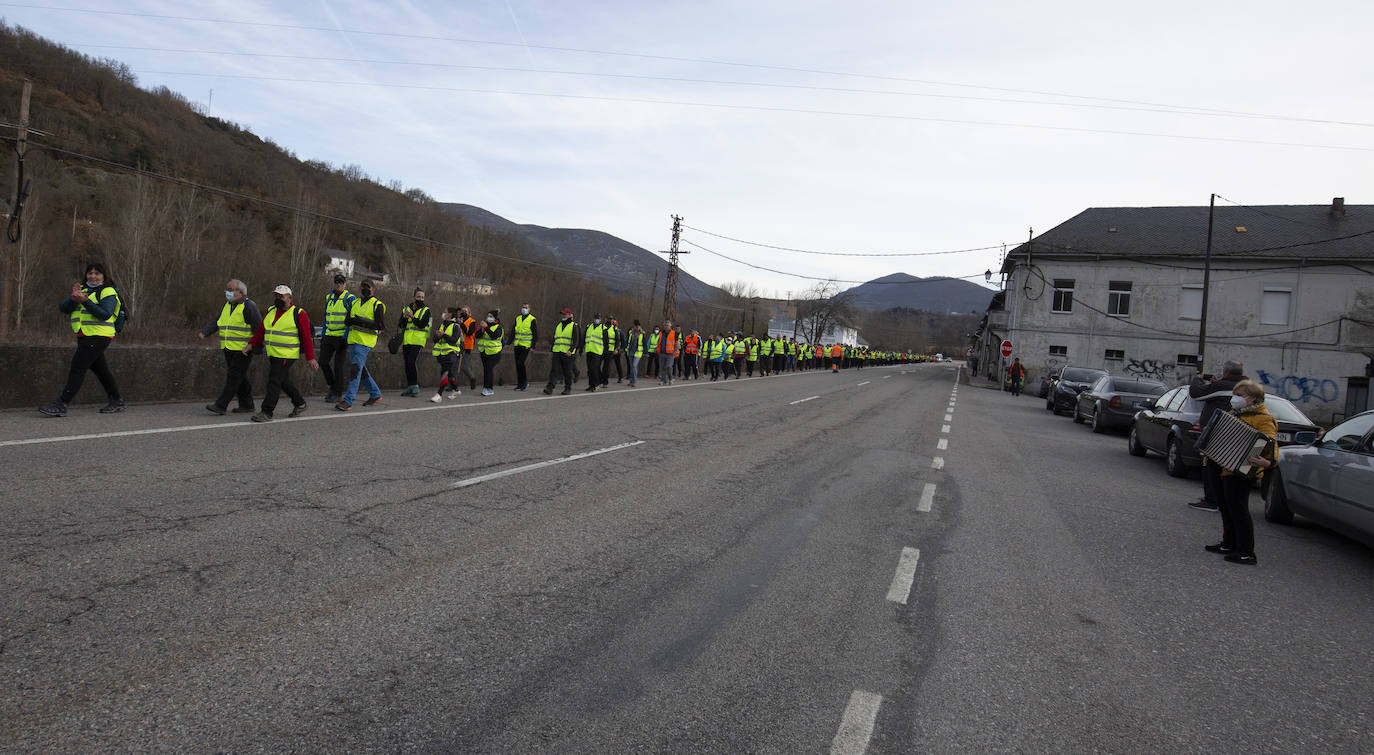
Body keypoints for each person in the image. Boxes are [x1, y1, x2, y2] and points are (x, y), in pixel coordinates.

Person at [1205, 380, 1277, 566]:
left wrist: (1268, 461)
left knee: (1239, 510)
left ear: (1253, 398)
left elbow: (1270, 444)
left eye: (1240, 395)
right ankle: (1229, 543)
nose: (1234, 398)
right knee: (1225, 506)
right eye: (1235, 394)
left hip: (1241, 470)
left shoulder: (1264, 418)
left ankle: (1246, 552)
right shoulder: (1234, 413)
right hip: (1221, 465)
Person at [40, 263, 126, 416]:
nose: (93, 276)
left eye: (97, 273)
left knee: (77, 368)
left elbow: (105, 314)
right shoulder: (82, 290)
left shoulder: (108, 291)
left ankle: (62, 404)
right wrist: (74, 299)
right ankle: (116, 400)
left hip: (99, 335)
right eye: (90, 273)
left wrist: (85, 301)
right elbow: (63, 308)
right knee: (101, 370)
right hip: (84, 335)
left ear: (104, 276)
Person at [243, 285, 317, 421]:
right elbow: (261, 331)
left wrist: (310, 357)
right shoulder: (270, 310)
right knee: (282, 380)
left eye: (281, 296)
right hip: (273, 353)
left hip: (287, 354)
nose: (278, 299)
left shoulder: (299, 313)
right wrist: (251, 344)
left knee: (274, 381)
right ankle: (300, 403)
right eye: (276, 296)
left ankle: (267, 411)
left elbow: (306, 337)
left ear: (289, 298)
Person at [1188, 361, 1248, 512]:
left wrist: (1198, 379)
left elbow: (1195, 393)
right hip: (1239, 433)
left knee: (1210, 465)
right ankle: (1224, 500)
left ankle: (1212, 500)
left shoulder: (1222, 386)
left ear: (1226, 372)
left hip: (1217, 431)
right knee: (1229, 467)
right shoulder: (1248, 386)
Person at [200, 278, 261, 415]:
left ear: (240, 292)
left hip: (243, 350)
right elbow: (218, 321)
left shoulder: (249, 306)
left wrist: (252, 346)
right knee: (240, 377)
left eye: (230, 290)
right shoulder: (228, 305)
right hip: (228, 348)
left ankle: (221, 405)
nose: (227, 292)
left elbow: (259, 329)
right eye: (226, 289)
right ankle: (247, 404)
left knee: (233, 377)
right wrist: (205, 332)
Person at [335, 279, 385, 411]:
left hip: (365, 343)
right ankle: (375, 394)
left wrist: (361, 321)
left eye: (368, 287)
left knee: (355, 370)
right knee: (361, 370)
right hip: (353, 341)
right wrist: (352, 321)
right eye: (363, 286)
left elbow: (380, 326)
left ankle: (348, 400)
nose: (365, 289)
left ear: (373, 289)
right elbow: (347, 321)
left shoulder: (377, 305)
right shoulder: (355, 302)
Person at [317, 274, 356, 403]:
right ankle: (333, 387)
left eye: (341, 282)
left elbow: (351, 319)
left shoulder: (350, 299)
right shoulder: (329, 297)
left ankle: (337, 393)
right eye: (336, 282)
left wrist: (345, 336)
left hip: (341, 337)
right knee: (322, 362)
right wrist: (323, 334)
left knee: (338, 366)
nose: (338, 284)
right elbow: (326, 316)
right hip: (328, 335)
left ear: (345, 284)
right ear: (333, 283)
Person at [398, 287, 431, 397]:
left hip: (418, 340)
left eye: (422, 297)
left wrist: (412, 317)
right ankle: (410, 386)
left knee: (412, 362)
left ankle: (415, 385)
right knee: (407, 363)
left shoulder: (426, 310)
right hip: (407, 340)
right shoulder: (406, 309)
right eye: (418, 297)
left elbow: (422, 324)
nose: (420, 299)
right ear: (414, 297)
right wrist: (406, 317)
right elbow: (400, 325)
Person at [430, 306, 463, 402]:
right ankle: (456, 389)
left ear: (450, 315)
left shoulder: (455, 326)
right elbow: (434, 339)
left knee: (444, 372)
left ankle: (439, 394)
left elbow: (454, 340)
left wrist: (443, 335)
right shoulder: (442, 325)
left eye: (445, 312)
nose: (443, 313)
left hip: (451, 353)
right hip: (442, 353)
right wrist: (438, 335)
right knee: (448, 373)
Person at [544, 308, 579, 395]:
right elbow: (555, 338)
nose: (563, 316)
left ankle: (567, 388)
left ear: (569, 315)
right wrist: (552, 349)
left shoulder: (573, 326)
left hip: (567, 353)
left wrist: (571, 350)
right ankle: (550, 387)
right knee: (554, 370)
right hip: (557, 351)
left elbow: (576, 340)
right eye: (562, 314)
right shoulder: (559, 325)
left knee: (567, 371)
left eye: (565, 314)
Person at [475, 309, 503, 396]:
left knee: (488, 369)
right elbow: (477, 335)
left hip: (494, 352)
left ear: (495, 319)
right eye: (488, 316)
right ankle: (489, 388)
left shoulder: (498, 327)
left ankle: (487, 388)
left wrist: (486, 327)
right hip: (484, 351)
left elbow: (494, 336)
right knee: (487, 370)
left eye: (491, 316)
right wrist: (482, 330)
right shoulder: (485, 326)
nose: (489, 318)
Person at [510, 302, 537, 391]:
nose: (524, 309)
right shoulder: (518, 318)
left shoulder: (532, 319)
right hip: (517, 344)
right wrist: (509, 342)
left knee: (520, 363)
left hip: (526, 345)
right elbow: (513, 331)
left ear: (529, 310)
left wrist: (533, 346)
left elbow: (535, 334)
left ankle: (524, 382)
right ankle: (519, 384)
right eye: (523, 307)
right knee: (517, 364)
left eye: (526, 308)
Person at [457, 306, 479, 391]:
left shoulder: (472, 322)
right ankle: (452, 385)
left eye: (465, 311)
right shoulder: (457, 321)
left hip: (467, 346)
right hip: (457, 345)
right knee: (454, 365)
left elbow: (469, 333)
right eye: (462, 311)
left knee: (463, 366)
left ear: (469, 313)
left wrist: (462, 324)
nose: (463, 312)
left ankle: (472, 378)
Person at [583, 313, 606, 392]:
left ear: (600, 319)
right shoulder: (589, 326)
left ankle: (596, 384)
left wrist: (604, 353)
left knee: (594, 368)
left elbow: (606, 342)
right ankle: (591, 385)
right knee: (589, 369)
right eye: (596, 318)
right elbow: (584, 337)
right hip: (589, 350)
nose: (597, 319)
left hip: (598, 352)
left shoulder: (603, 328)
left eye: (598, 318)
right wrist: (581, 348)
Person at [624, 320, 646, 388]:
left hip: (638, 352)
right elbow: (627, 341)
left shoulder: (642, 333)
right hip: (630, 351)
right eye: (636, 325)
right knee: (631, 367)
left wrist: (646, 352)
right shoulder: (630, 332)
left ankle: (634, 381)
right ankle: (631, 381)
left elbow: (644, 343)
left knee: (634, 366)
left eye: (638, 325)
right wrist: (623, 348)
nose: (637, 327)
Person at [603, 317, 623, 386]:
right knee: (606, 366)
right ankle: (603, 379)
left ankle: (620, 377)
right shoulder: (604, 328)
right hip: (605, 350)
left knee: (617, 364)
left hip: (614, 350)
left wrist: (619, 349)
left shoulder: (617, 330)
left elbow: (621, 341)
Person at [657, 319, 678, 385]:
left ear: (670, 326)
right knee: (662, 367)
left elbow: (677, 343)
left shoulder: (674, 333)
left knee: (668, 366)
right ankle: (663, 380)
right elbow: (659, 342)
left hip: (670, 353)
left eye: (667, 325)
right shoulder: (661, 333)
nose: (666, 326)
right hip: (662, 352)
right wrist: (657, 349)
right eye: (665, 325)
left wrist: (675, 351)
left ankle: (671, 378)